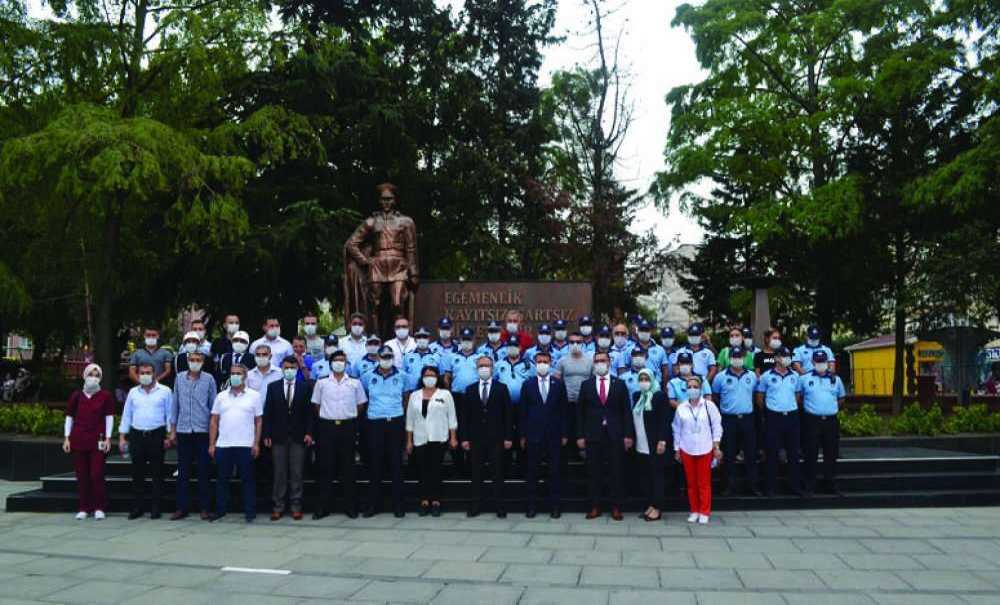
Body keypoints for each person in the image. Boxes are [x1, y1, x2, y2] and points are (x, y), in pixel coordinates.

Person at [576, 351, 633, 520]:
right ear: (593, 364)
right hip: (593, 435)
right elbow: (580, 412)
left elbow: (626, 412)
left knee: (616, 471)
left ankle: (616, 506)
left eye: (603, 360)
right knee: (594, 472)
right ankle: (595, 506)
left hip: (615, 434)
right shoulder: (586, 385)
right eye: (597, 361)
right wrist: (580, 435)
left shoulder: (620, 384)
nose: (600, 363)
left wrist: (628, 435)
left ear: (609, 363)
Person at [312, 350, 368, 519]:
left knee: (348, 468)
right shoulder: (321, 383)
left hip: (347, 427)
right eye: (336, 360)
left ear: (346, 363)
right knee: (325, 468)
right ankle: (323, 507)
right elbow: (316, 405)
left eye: (342, 360)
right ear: (330, 363)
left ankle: (350, 507)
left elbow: (360, 405)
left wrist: (348, 417)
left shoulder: (355, 383)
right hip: (327, 427)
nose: (339, 362)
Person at [208, 364, 263, 523]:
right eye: (232, 373)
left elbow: (259, 421)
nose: (235, 376)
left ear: (245, 376)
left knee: (247, 480)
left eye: (238, 373)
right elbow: (214, 421)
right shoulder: (221, 396)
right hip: (224, 444)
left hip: (245, 444)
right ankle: (220, 510)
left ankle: (249, 512)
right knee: (222, 479)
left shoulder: (254, 396)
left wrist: (256, 443)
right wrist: (212, 444)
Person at [263, 355, 315, 521]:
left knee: (297, 473)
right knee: (279, 473)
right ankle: (278, 506)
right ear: (282, 368)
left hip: (299, 437)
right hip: (278, 437)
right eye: (286, 367)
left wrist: (309, 433)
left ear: (297, 369)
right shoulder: (273, 387)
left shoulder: (305, 387)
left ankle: (296, 506)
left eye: (293, 368)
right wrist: (267, 434)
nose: (289, 370)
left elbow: (309, 413)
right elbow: (268, 413)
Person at [461, 356, 514, 517]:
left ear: (492, 368)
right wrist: (464, 438)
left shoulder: (501, 388)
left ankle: (500, 506)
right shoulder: (470, 389)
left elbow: (508, 415)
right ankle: (475, 505)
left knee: (497, 473)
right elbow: (464, 416)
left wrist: (508, 437)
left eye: (487, 365)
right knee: (476, 474)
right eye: (481, 366)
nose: (484, 368)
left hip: (496, 438)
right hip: (476, 439)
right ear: (476, 369)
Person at [119, 362, 173, 519]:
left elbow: (170, 414)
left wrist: (170, 435)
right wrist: (122, 436)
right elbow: (127, 414)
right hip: (137, 435)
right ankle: (138, 507)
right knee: (137, 473)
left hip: (157, 434)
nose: (145, 375)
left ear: (154, 373)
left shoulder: (165, 391)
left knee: (157, 473)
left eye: (148, 372)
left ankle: (156, 507)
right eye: (141, 373)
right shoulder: (133, 392)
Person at [519, 352, 569, 518]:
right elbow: (523, 412)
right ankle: (531, 505)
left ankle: (555, 506)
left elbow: (564, 411)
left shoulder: (559, 384)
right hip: (534, 435)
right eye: (539, 361)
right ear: (535, 363)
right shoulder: (528, 384)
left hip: (554, 435)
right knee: (532, 471)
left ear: (550, 363)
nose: (542, 364)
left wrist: (564, 434)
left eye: (545, 362)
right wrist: (523, 435)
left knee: (554, 472)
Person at [169, 350, 217, 520]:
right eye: (192, 359)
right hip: (183, 430)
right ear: (188, 360)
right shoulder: (179, 378)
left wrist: (213, 435)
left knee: (204, 472)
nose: (195, 362)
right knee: (183, 472)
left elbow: (214, 408)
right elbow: (175, 405)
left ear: (203, 362)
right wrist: (172, 430)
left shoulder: (209, 379)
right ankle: (182, 508)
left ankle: (204, 508)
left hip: (202, 431)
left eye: (198, 360)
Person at [63, 364, 114, 520]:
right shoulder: (77, 396)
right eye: (90, 374)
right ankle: (84, 507)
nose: (93, 378)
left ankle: (99, 506)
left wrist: (108, 438)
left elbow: (109, 417)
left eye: (96, 375)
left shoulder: (105, 396)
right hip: (78, 439)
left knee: (96, 474)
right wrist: (66, 438)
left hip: (97, 440)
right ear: (84, 376)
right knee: (82, 475)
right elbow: (69, 417)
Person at [406, 366, 458, 516]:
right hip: (419, 438)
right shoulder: (414, 395)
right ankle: (424, 501)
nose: (429, 378)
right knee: (422, 470)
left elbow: (452, 417)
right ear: (422, 378)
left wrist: (453, 437)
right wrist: (408, 441)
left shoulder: (445, 394)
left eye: (432, 375)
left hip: (438, 437)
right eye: (426, 375)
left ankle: (436, 501)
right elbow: (410, 420)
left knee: (436, 470)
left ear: (437, 377)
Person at [672, 376, 723, 524]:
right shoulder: (681, 407)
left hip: (705, 447)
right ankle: (694, 510)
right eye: (689, 387)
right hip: (687, 448)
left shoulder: (709, 406)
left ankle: (704, 510)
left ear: (700, 389)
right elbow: (676, 429)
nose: (692, 389)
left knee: (704, 482)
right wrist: (677, 449)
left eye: (695, 386)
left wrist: (716, 445)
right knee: (691, 483)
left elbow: (717, 425)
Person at [364, 345, 407, 517]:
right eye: (384, 356)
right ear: (378, 358)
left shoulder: (403, 376)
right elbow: (364, 398)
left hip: (395, 422)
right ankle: (373, 505)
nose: (387, 359)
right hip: (375, 423)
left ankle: (398, 505)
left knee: (396, 464)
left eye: (390, 356)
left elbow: (406, 398)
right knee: (375, 465)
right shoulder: (367, 376)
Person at [711, 346, 761, 496]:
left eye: (740, 357)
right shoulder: (720, 377)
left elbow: (755, 393)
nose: (737, 359)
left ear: (744, 358)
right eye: (734, 357)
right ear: (730, 358)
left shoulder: (751, 376)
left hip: (747, 419)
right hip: (729, 419)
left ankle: (752, 485)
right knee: (729, 453)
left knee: (750, 453)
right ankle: (728, 486)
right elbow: (715, 395)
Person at [755, 346, 804, 497]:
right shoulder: (766, 376)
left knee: (793, 453)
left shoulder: (795, 376)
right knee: (771, 453)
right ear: (776, 358)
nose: (786, 359)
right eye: (783, 356)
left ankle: (794, 486)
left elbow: (797, 396)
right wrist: (770, 411)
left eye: (788, 356)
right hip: (773, 417)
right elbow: (760, 398)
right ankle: (770, 487)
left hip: (791, 416)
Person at [798, 350, 846, 495]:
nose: (821, 364)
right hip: (812, 421)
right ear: (812, 363)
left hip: (830, 421)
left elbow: (841, 398)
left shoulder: (835, 379)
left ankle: (830, 484)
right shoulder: (804, 379)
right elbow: (799, 398)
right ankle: (809, 485)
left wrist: (829, 408)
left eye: (823, 362)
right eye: (818, 362)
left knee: (831, 453)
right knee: (810, 453)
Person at [631, 368, 669, 522]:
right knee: (645, 477)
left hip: (655, 443)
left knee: (656, 476)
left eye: (647, 379)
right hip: (641, 443)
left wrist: (662, 440)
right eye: (641, 379)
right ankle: (650, 505)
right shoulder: (637, 396)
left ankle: (658, 508)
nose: (644, 382)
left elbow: (664, 420)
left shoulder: (659, 396)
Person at [554, 331, 593, 447]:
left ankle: (582, 453)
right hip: (567, 402)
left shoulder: (590, 361)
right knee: (567, 430)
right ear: (568, 343)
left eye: (578, 342)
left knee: (583, 430)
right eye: (572, 342)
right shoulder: (562, 361)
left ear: (582, 343)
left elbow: (593, 380)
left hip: (585, 403)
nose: (575, 344)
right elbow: (556, 381)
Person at [494, 336, 532, 407]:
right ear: (506, 348)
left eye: (515, 345)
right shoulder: (499, 364)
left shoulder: (529, 364)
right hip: (503, 404)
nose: (513, 348)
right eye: (510, 346)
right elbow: (492, 381)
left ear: (520, 347)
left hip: (523, 404)